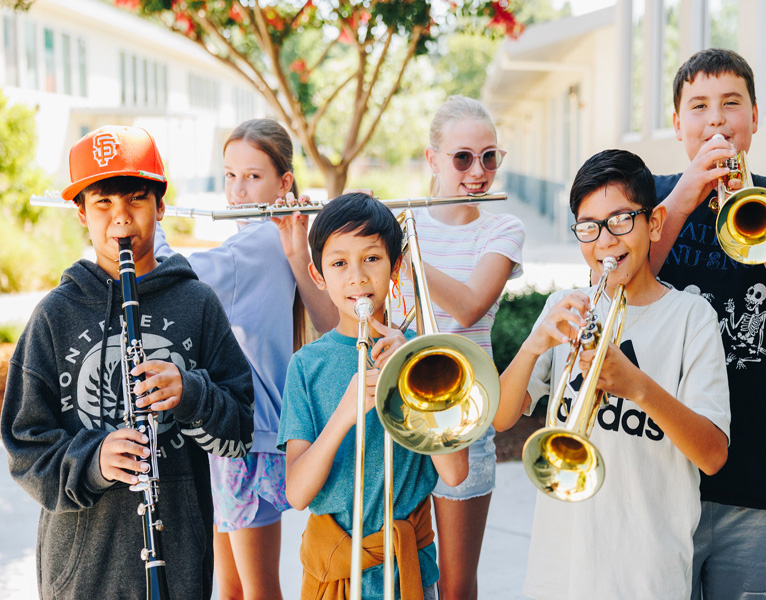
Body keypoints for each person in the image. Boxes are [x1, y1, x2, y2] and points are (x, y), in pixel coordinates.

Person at [0, 125, 254, 600]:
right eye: (103, 204)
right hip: (81, 575)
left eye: (136, 200)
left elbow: (239, 432)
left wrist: (191, 393)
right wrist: (94, 459)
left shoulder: (197, 303)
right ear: (81, 213)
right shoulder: (55, 315)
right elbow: (23, 448)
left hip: (177, 562)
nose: (121, 220)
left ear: (160, 206)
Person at [494, 149, 730, 599]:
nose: (605, 240)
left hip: (647, 573)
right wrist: (535, 343)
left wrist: (637, 387)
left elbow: (713, 454)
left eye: (621, 220)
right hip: (558, 571)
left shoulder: (691, 317)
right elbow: (502, 419)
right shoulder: (563, 309)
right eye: (589, 226)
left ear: (655, 223)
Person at [154, 118, 337, 600]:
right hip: (239, 434)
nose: (238, 189)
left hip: (246, 437)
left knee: (256, 591)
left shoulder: (258, 242)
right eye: (230, 175)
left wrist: (148, 223)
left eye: (253, 176)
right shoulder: (264, 238)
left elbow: (179, 276)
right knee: (232, 588)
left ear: (284, 183)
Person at [651, 48, 766, 599]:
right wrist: (686, 198)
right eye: (699, 106)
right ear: (678, 123)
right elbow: (615, 290)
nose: (716, 119)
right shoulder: (651, 198)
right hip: (662, 483)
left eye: (731, 103)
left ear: (755, 118)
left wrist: (756, 211)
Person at [277, 192, 469, 600]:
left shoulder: (425, 358)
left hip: (410, 571)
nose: (358, 278)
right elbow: (296, 493)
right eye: (340, 263)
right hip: (336, 575)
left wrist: (414, 379)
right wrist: (344, 414)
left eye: (372, 259)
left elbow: (454, 473)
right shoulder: (307, 365)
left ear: (395, 267)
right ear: (318, 275)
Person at [395, 94, 524, 599]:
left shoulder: (502, 227)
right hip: (400, 410)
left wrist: (399, 249)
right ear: (433, 160)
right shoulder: (404, 221)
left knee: (455, 583)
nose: (478, 170)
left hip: (465, 415)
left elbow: (469, 306)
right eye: (463, 157)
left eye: (489, 156)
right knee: (403, 572)